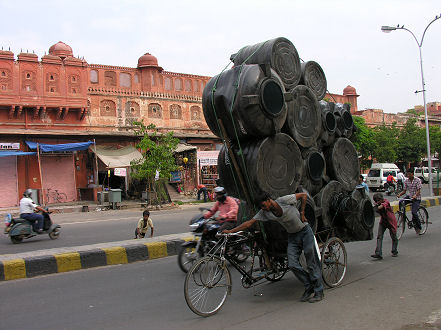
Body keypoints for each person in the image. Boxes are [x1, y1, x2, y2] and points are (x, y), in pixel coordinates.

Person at [223, 192, 324, 303]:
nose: (263, 208)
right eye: (261, 207)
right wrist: (230, 231)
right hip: (292, 236)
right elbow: (248, 223)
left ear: (268, 200)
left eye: (263, 205)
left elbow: (303, 195)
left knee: (311, 262)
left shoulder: (284, 200)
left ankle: (319, 292)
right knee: (292, 264)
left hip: (305, 232)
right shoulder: (264, 212)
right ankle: (308, 286)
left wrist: (303, 212)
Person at [371, 192, 398, 260]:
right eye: (376, 201)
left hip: (390, 222)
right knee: (379, 237)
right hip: (383, 221)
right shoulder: (378, 204)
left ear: (381, 199)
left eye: (378, 200)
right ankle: (378, 253)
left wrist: (376, 206)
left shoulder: (386, 202)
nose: (377, 202)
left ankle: (394, 251)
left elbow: (381, 206)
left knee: (393, 237)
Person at [397, 169, 423, 235]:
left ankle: (419, 226)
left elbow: (419, 190)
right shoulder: (406, 181)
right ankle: (402, 214)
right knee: (401, 202)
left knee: (414, 212)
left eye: (409, 174)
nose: (408, 175)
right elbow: (404, 191)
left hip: (416, 198)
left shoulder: (417, 180)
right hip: (410, 197)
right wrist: (400, 194)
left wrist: (415, 195)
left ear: (412, 174)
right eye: (407, 174)